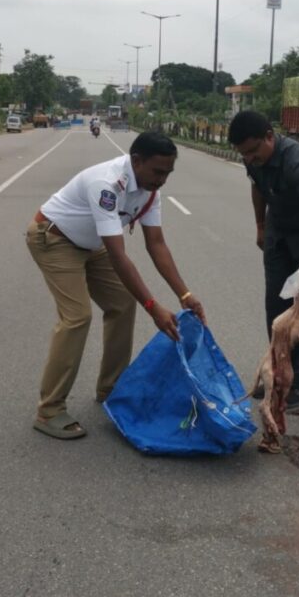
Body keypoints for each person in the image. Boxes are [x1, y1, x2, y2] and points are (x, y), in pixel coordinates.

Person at [26, 130, 206, 439]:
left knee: (123, 304)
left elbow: (157, 244)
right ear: (136, 161)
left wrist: (185, 294)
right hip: (54, 238)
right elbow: (119, 255)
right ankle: (49, 410)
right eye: (157, 171)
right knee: (77, 317)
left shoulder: (150, 190)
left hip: (91, 244)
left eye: (167, 173)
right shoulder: (106, 184)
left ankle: (111, 389)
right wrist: (153, 307)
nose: (162, 179)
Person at [228, 110, 299, 409]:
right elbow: (257, 186)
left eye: (254, 151)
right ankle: (278, 372)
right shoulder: (252, 159)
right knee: (277, 305)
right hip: (279, 226)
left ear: (270, 136)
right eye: (244, 154)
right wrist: (260, 226)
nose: (250, 158)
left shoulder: (297, 161)